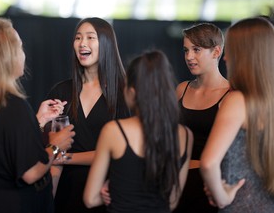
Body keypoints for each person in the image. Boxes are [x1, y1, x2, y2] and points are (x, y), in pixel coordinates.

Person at [0, 17, 75, 213]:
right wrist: (55, 146)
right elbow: (30, 172)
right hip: (10, 204)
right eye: (19, 47)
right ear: (6, 56)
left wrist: (37, 121)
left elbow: (0, 146)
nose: (23, 53)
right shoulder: (13, 105)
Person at [40, 17, 131, 213]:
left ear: (106, 43)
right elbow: (46, 147)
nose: (82, 43)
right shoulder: (62, 91)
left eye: (91, 37)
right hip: (65, 192)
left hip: (107, 192)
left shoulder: (125, 93)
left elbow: (123, 153)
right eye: (78, 38)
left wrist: (66, 157)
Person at [83, 50, 193, 213]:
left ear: (133, 92)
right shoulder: (186, 135)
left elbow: (90, 199)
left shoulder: (114, 130)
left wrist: (113, 190)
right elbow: (172, 202)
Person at [200, 17, 274, 212]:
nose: (225, 57)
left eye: (230, 50)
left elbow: (208, 163)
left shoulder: (238, 100)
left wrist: (221, 196)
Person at [173, 23, 230, 213]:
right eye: (186, 50)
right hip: (175, 183)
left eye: (196, 50)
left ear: (216, 52)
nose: (189, 57)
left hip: (208, 186)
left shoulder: (231, 95)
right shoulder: (182, 89)